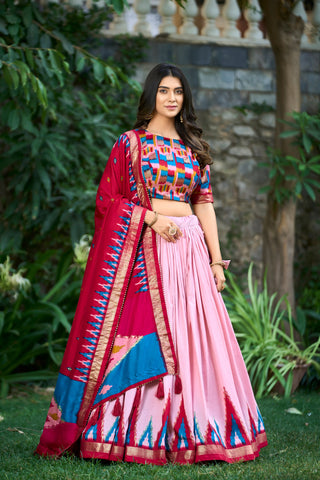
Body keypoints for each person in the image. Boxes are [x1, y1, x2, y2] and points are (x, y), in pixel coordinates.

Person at [36, 63, 267, 464]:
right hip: (145, 251)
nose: (172, 98)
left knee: (194, 338)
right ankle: (128, 429)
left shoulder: (194, 147)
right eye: (164, 90)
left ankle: (199, 425)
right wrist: (153, 219)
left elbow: (204, 204)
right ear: (151, 95)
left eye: (178, 91)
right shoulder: (130, 144)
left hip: (190, 250)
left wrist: (216, 260)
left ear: (185, 98)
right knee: (144, 336)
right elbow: (108, 201)